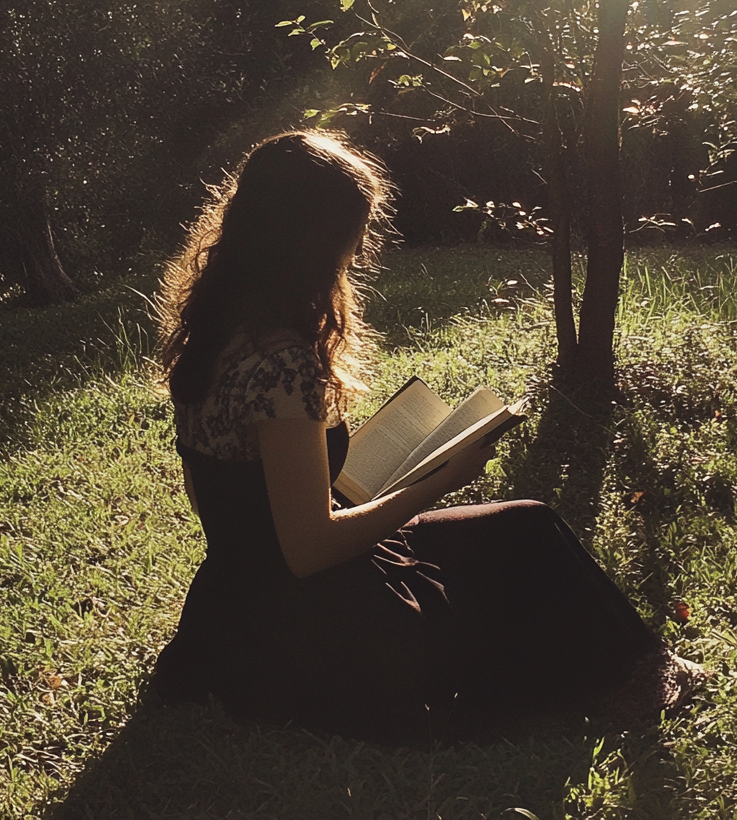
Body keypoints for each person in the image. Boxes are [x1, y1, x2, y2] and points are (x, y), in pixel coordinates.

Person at [153, 131, 704, 742]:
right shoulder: (284, 365)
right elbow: (307, 551)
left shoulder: (215, 331)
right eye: (350, 237)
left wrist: (336, 481)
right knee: (500, 587)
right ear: (308, 242)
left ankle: (635, 669)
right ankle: (627, 679)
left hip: (234, 607)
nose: (357, 252)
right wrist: (439, 482)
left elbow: (219, 496)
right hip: (314, 626)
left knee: (527, 522)